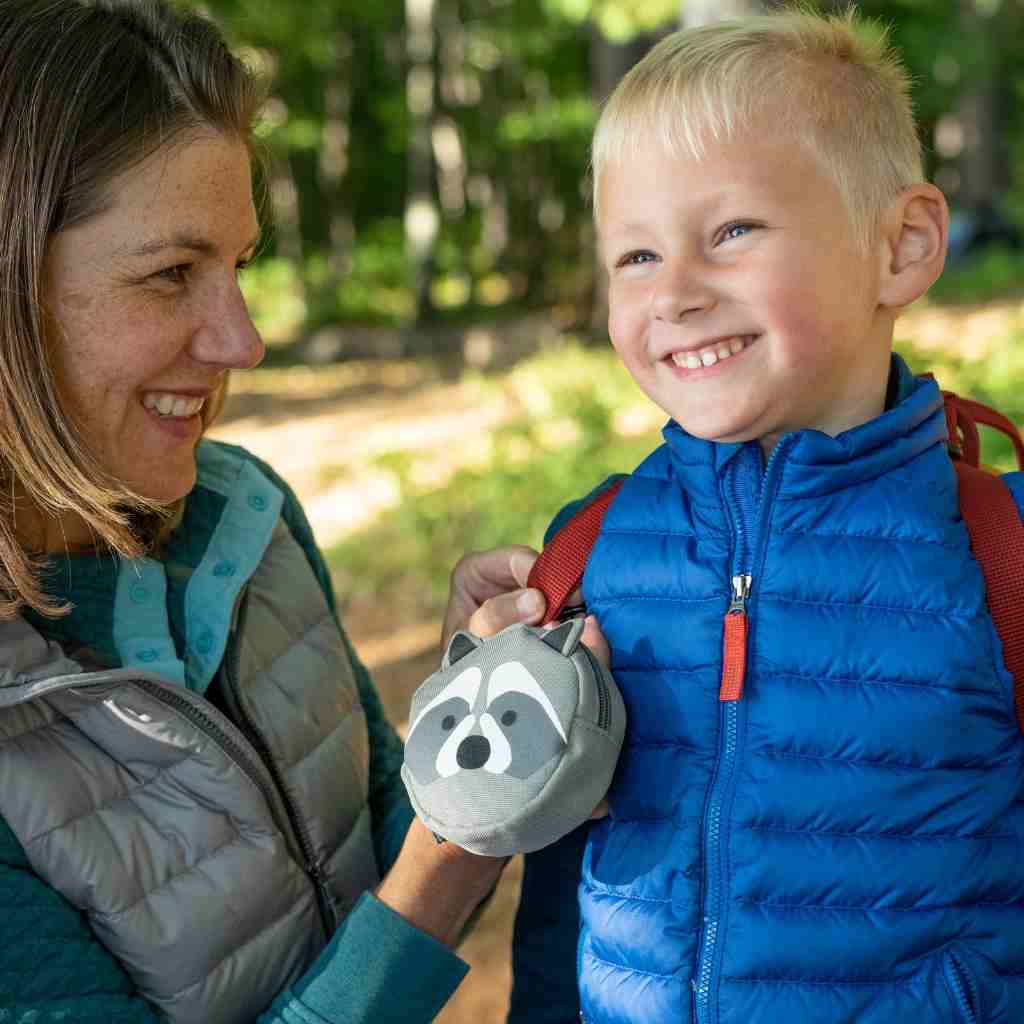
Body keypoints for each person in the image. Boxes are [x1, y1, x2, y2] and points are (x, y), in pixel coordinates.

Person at [0, 1, 552, 1021]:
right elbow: (424, 886)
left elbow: (385, 891)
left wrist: (465, 714)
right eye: (172, 274)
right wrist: (459, 838)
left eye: (239, 267)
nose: (243, 341)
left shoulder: (244, 518)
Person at [507, 8, 1024, 1023]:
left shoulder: (998, 555)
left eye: (731, 231)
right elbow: (553, 893)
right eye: (635, 257)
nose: (677, 293)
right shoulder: (592, 550)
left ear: (902, 247)